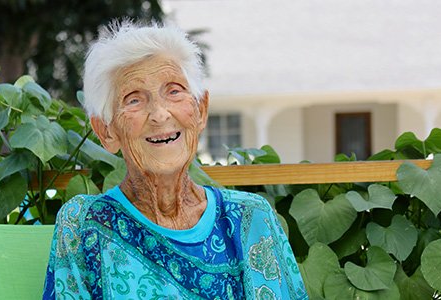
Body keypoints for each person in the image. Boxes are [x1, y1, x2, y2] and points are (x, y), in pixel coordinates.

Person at [42, 21, 306, 299]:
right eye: (134, 100)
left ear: (200, 110)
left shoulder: (250, 219)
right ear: (107, 131)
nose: (159, 114)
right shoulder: (85, 225)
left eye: (174, 91)